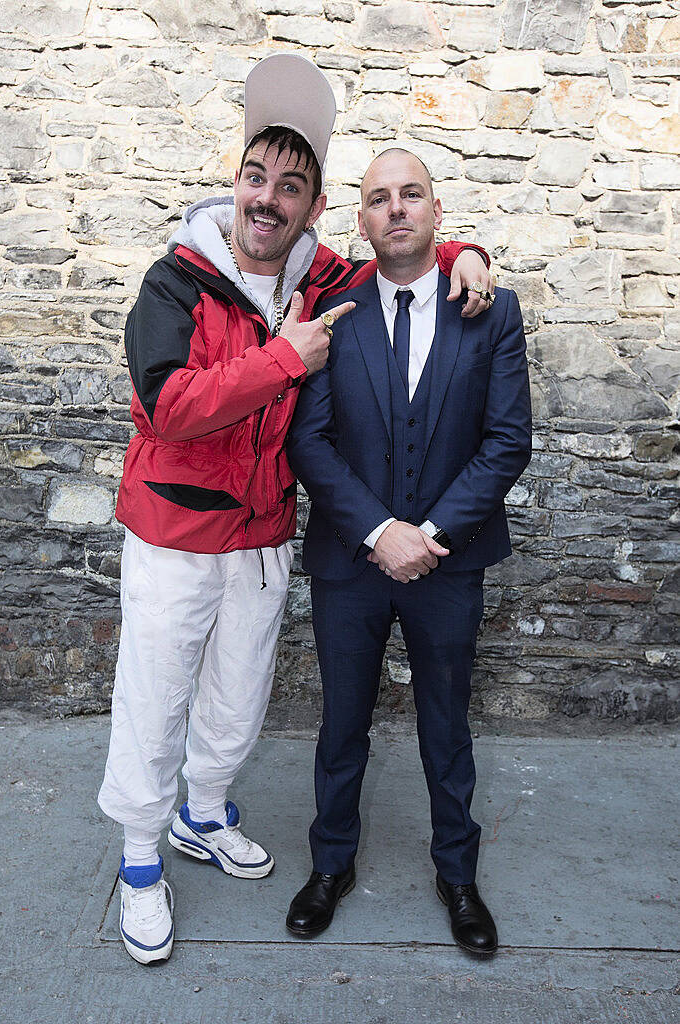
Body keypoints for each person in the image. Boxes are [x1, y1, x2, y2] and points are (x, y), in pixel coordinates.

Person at [97, 54, 494, 965]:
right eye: (255, 178)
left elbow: (404, 253)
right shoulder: (176, 282)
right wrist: (286, 360)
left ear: (315, 209)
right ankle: (138, 862)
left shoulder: (321, 286)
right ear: (234, 185)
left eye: (292, 185)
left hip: (264, 538)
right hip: (175, 533)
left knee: (236, 701)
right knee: (155, 700)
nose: (268, 199)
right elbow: (171, 405)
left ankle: (202, 816)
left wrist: (464, 250)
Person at [285, 147, 532, 955]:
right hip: (348, 565)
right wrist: (378, 531)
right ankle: (331, 866)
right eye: (379, 198)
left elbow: (506, 443)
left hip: (448, 565)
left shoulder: (492, 311)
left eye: (411, 195)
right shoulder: (334, 312)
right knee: (341, 724)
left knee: (446, 724)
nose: (396, 209)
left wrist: (427, 535)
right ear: (361, 221)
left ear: (436, 213)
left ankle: (457, 876)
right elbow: (310, 441)